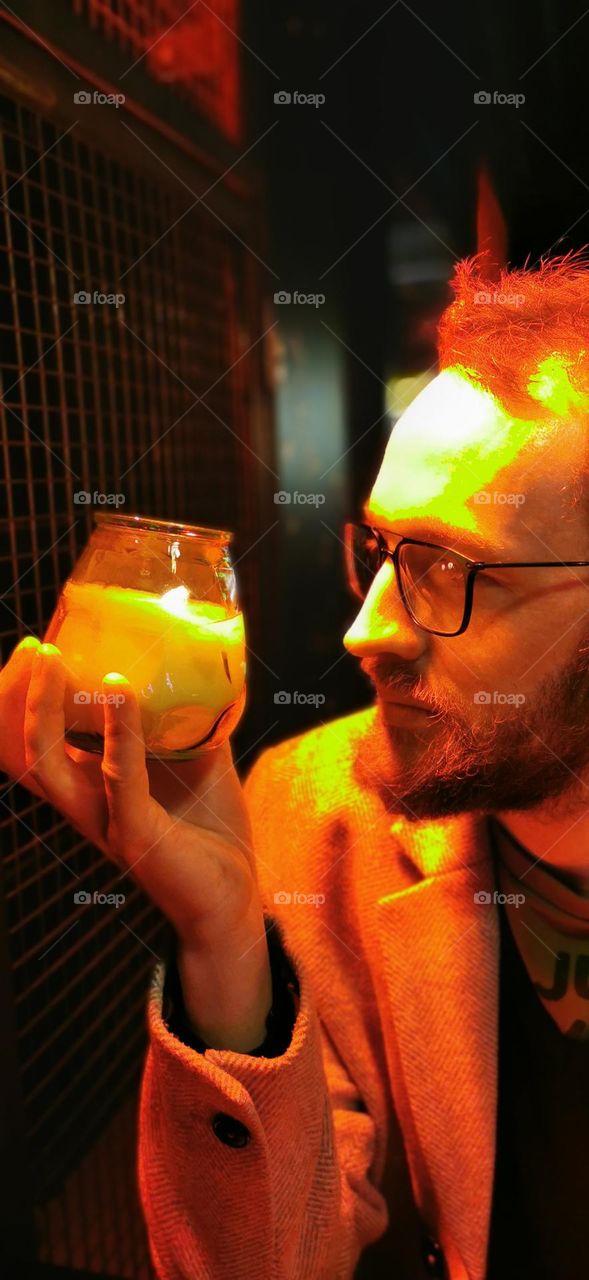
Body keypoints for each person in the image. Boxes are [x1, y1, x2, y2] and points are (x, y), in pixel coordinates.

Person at [2, 249, 589, 1280]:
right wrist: (225, 941)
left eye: (445, 568)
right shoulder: (315, 814)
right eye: (382, 550)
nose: (367, 631)